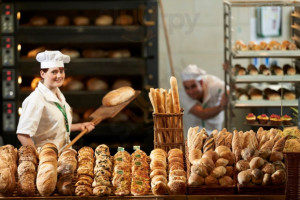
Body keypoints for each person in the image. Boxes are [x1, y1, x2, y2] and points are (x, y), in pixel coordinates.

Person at [16, 50, 95, 152]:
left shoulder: (58, 95)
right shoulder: (35, 99)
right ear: (42, 73)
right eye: (54, 72)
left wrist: (79, 126)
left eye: (61, 71)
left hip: (63, 156)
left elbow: (55, 127)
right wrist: (38, 158)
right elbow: (22, 134)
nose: (59, 76)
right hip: (46, 158)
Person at [180, 64, 228, 135]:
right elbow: (203, 114)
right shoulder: (182, 94)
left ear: (201, 82)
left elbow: (228, 90)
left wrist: (226, 96)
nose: (190, 91)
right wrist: (221, 107)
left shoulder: (213, 83)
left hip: (215, 132)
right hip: (193, 136)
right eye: (186, 88)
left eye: (193, 86)